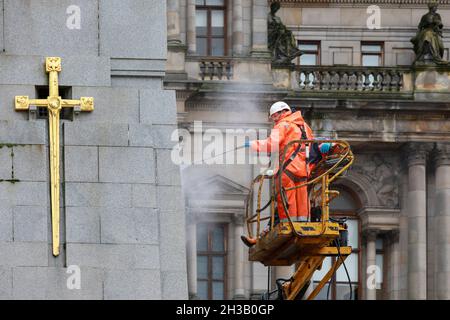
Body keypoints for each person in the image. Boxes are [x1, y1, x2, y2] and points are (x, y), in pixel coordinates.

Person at [241, 101, 331, 247]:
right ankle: (302, 225)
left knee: (284, 198)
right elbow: (312, 146)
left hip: (287, 169)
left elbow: (270, 144)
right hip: (303, 169)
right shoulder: (304, 127)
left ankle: (286, 226)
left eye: (274, 117)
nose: (274, 120)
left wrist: (252, 144)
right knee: (301, 199)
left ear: (280, 113)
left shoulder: (282, 125)